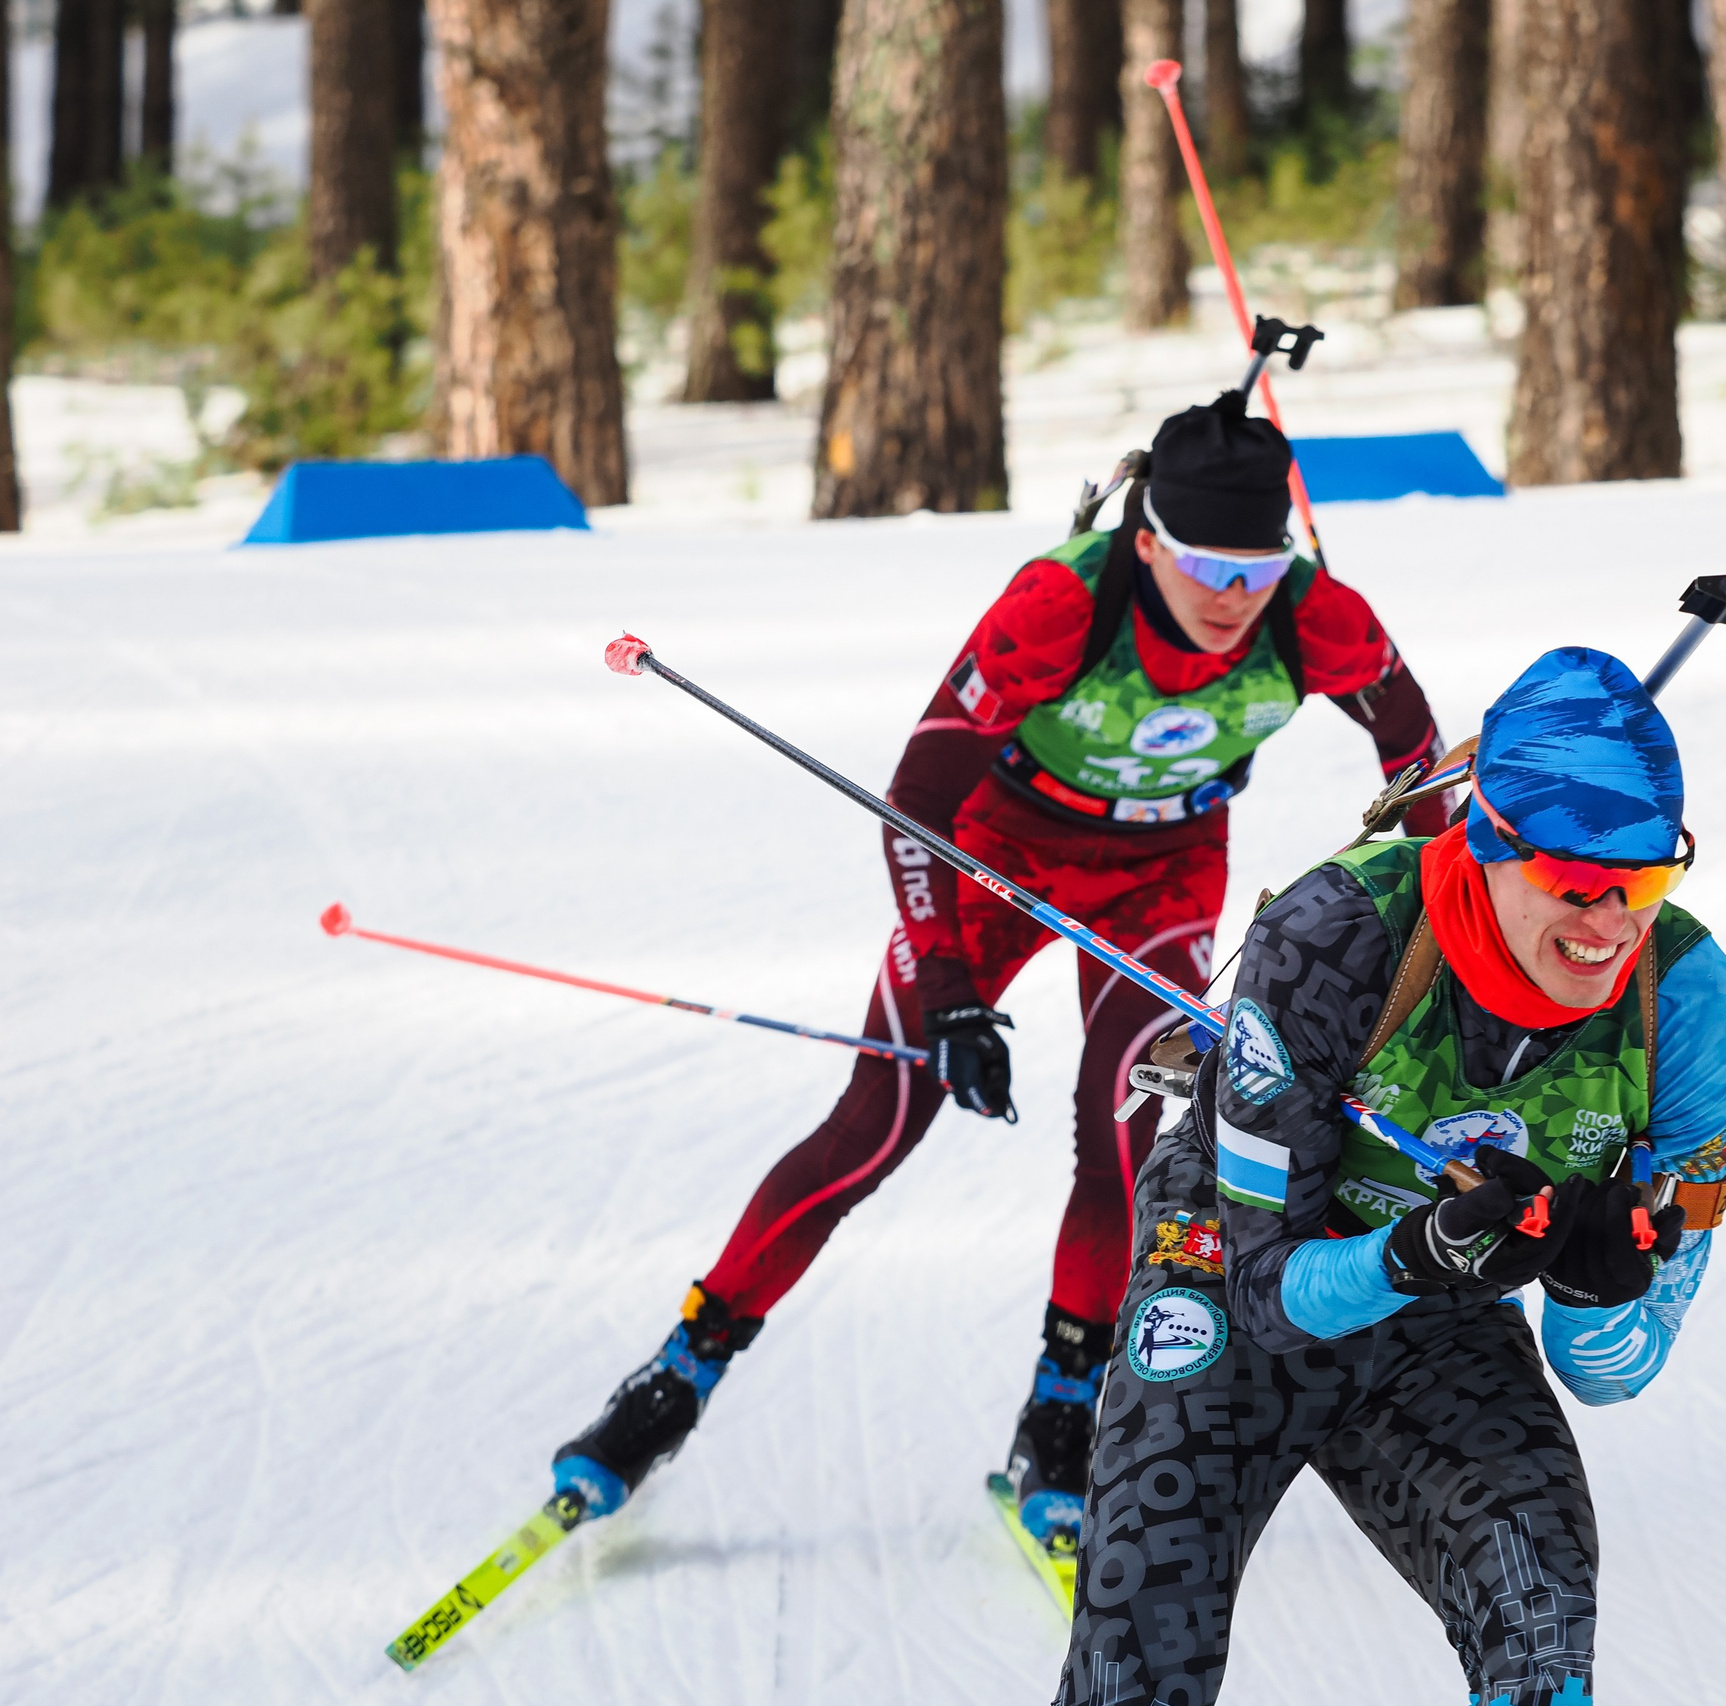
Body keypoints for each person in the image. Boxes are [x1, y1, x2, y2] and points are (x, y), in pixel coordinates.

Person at [549, 391, 1453, 1561]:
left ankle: (1063, 1408)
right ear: (1146, 542)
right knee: (879, 1119)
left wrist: (1412, 922)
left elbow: (1422, 774)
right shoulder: (1062, 604)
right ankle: (681, 1371)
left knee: (1125, 1127)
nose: (1233, 600)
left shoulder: (1315, 615)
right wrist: (950, 993)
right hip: (992, 849)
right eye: (1202, 566)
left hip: (1165, 871)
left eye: (1257, 568)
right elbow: (913, 799)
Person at [1054, 648, 1726, 1706]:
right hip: (1229, 1277)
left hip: (1436, 1318)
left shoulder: (1699, 1016)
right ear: (1485, 842)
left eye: (1648, 880)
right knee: (1141, 1649)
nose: (1611, 926)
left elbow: (1612, 1373)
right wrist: (1417, 1249)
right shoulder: (1331, 939)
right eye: (1575, 883)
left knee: (1543, 1625)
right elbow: (1265, 1292)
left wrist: (1586, 1287)